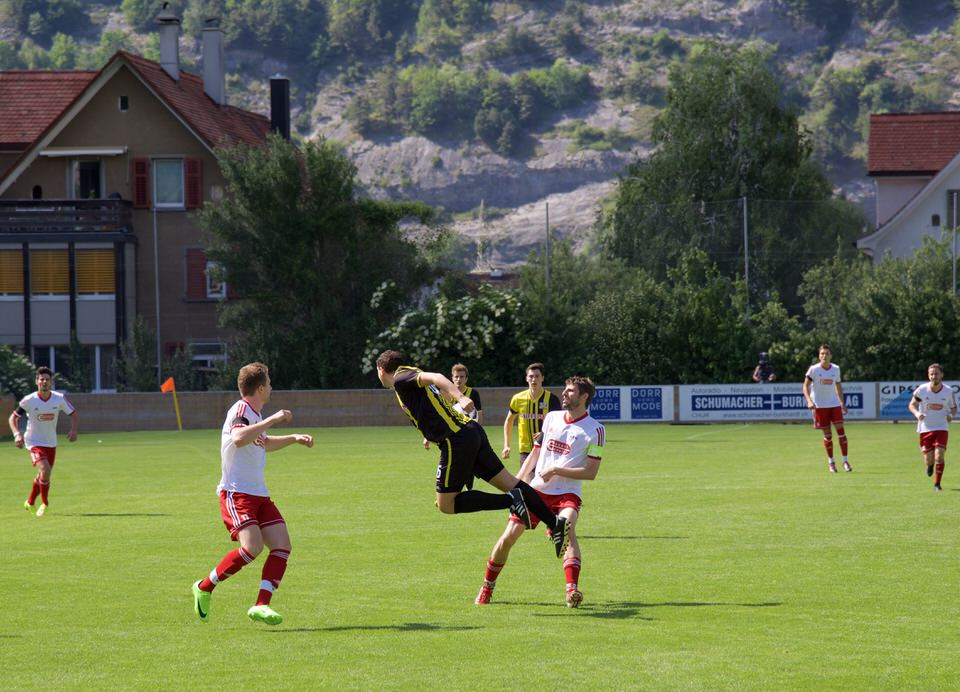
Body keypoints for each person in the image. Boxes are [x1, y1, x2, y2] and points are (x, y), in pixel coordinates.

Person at [375, 349, 570, 558]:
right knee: (511, 482)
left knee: (446, 504)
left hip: (455, 439)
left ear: (381, 369)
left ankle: (511, 500)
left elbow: (437, 377)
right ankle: (554, 523)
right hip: (469, 432)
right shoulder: (409, 374)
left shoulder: (401, 378)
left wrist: (460, 397)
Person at [191, 362, 314, 626]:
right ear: (259, 388)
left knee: (282, 545)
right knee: (252, 547)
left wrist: (293, 437)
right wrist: (273, 419)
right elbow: (238, 438)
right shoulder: (241, 409)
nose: (271, 387)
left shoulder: (255, 416)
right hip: (237, 493)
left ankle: (261, 605)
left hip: (259, 494)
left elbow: (263, 443)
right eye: (269, 383)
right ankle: (204, 586)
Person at [475, 376, 604, 608]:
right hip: (536, 491)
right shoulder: (551, 418)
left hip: (567, 493)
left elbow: (591, 472)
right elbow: (534, 453)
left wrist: (555, 469)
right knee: (509, 536)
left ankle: (571, 590)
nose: (564, 393)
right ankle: (487, 586)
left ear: (584, 396)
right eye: (565, 389)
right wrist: (517, 483)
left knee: (567, 529)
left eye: (570, 391)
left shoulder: (596, 430)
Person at [7, 366, 78, 517]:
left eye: (47, 379)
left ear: (51, 382)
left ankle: (30, 501)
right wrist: (17, 434)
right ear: (36, 381)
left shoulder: (58, 398)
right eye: (41, 379)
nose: (44, 382)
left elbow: (73, 413)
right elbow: (13, 418)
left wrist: (73, 430)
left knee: (44, 474)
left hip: (51, 442)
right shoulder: (29, 400)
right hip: (33, 441)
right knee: (45, 469)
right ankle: (45, 503)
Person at [907, 363, 957, 491]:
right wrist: (917, 414)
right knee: (929, 460)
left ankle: (937, 484)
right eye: (931, 374)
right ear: (929, 375)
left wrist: (950, 415)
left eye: (936, 374)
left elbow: (953, 408)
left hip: (942, 427)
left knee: (939, 456)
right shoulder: (922, 390)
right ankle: (929, 465)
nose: (934, 376)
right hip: (925, 428)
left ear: (942, 375)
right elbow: (911, 405)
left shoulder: (948, 391)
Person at [802, 343, 850, 473]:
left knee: (841, 432)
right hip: (819, 406)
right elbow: (805, 386)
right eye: (822, 353)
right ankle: (831, 463)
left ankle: (845, 461)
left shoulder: (836, 369)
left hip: (834, 404)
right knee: (828, 435)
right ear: (819, 356)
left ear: (830, 356)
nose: (824, 356)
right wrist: (809, 401)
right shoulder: (813, 369)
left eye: (827, 353)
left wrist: (842, 403)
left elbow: (838, 386)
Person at [502, 362, 561, 463]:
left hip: (546, 449)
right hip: (526, 450)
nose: (534, 379)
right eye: (531, 376)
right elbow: (509, 421)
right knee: (526, 474)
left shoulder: (552, 399)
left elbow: (559, 424)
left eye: (537, 376)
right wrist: (506, 445)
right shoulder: (518, 398)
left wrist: (545, 433)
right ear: (526, 378)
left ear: (542, 378)